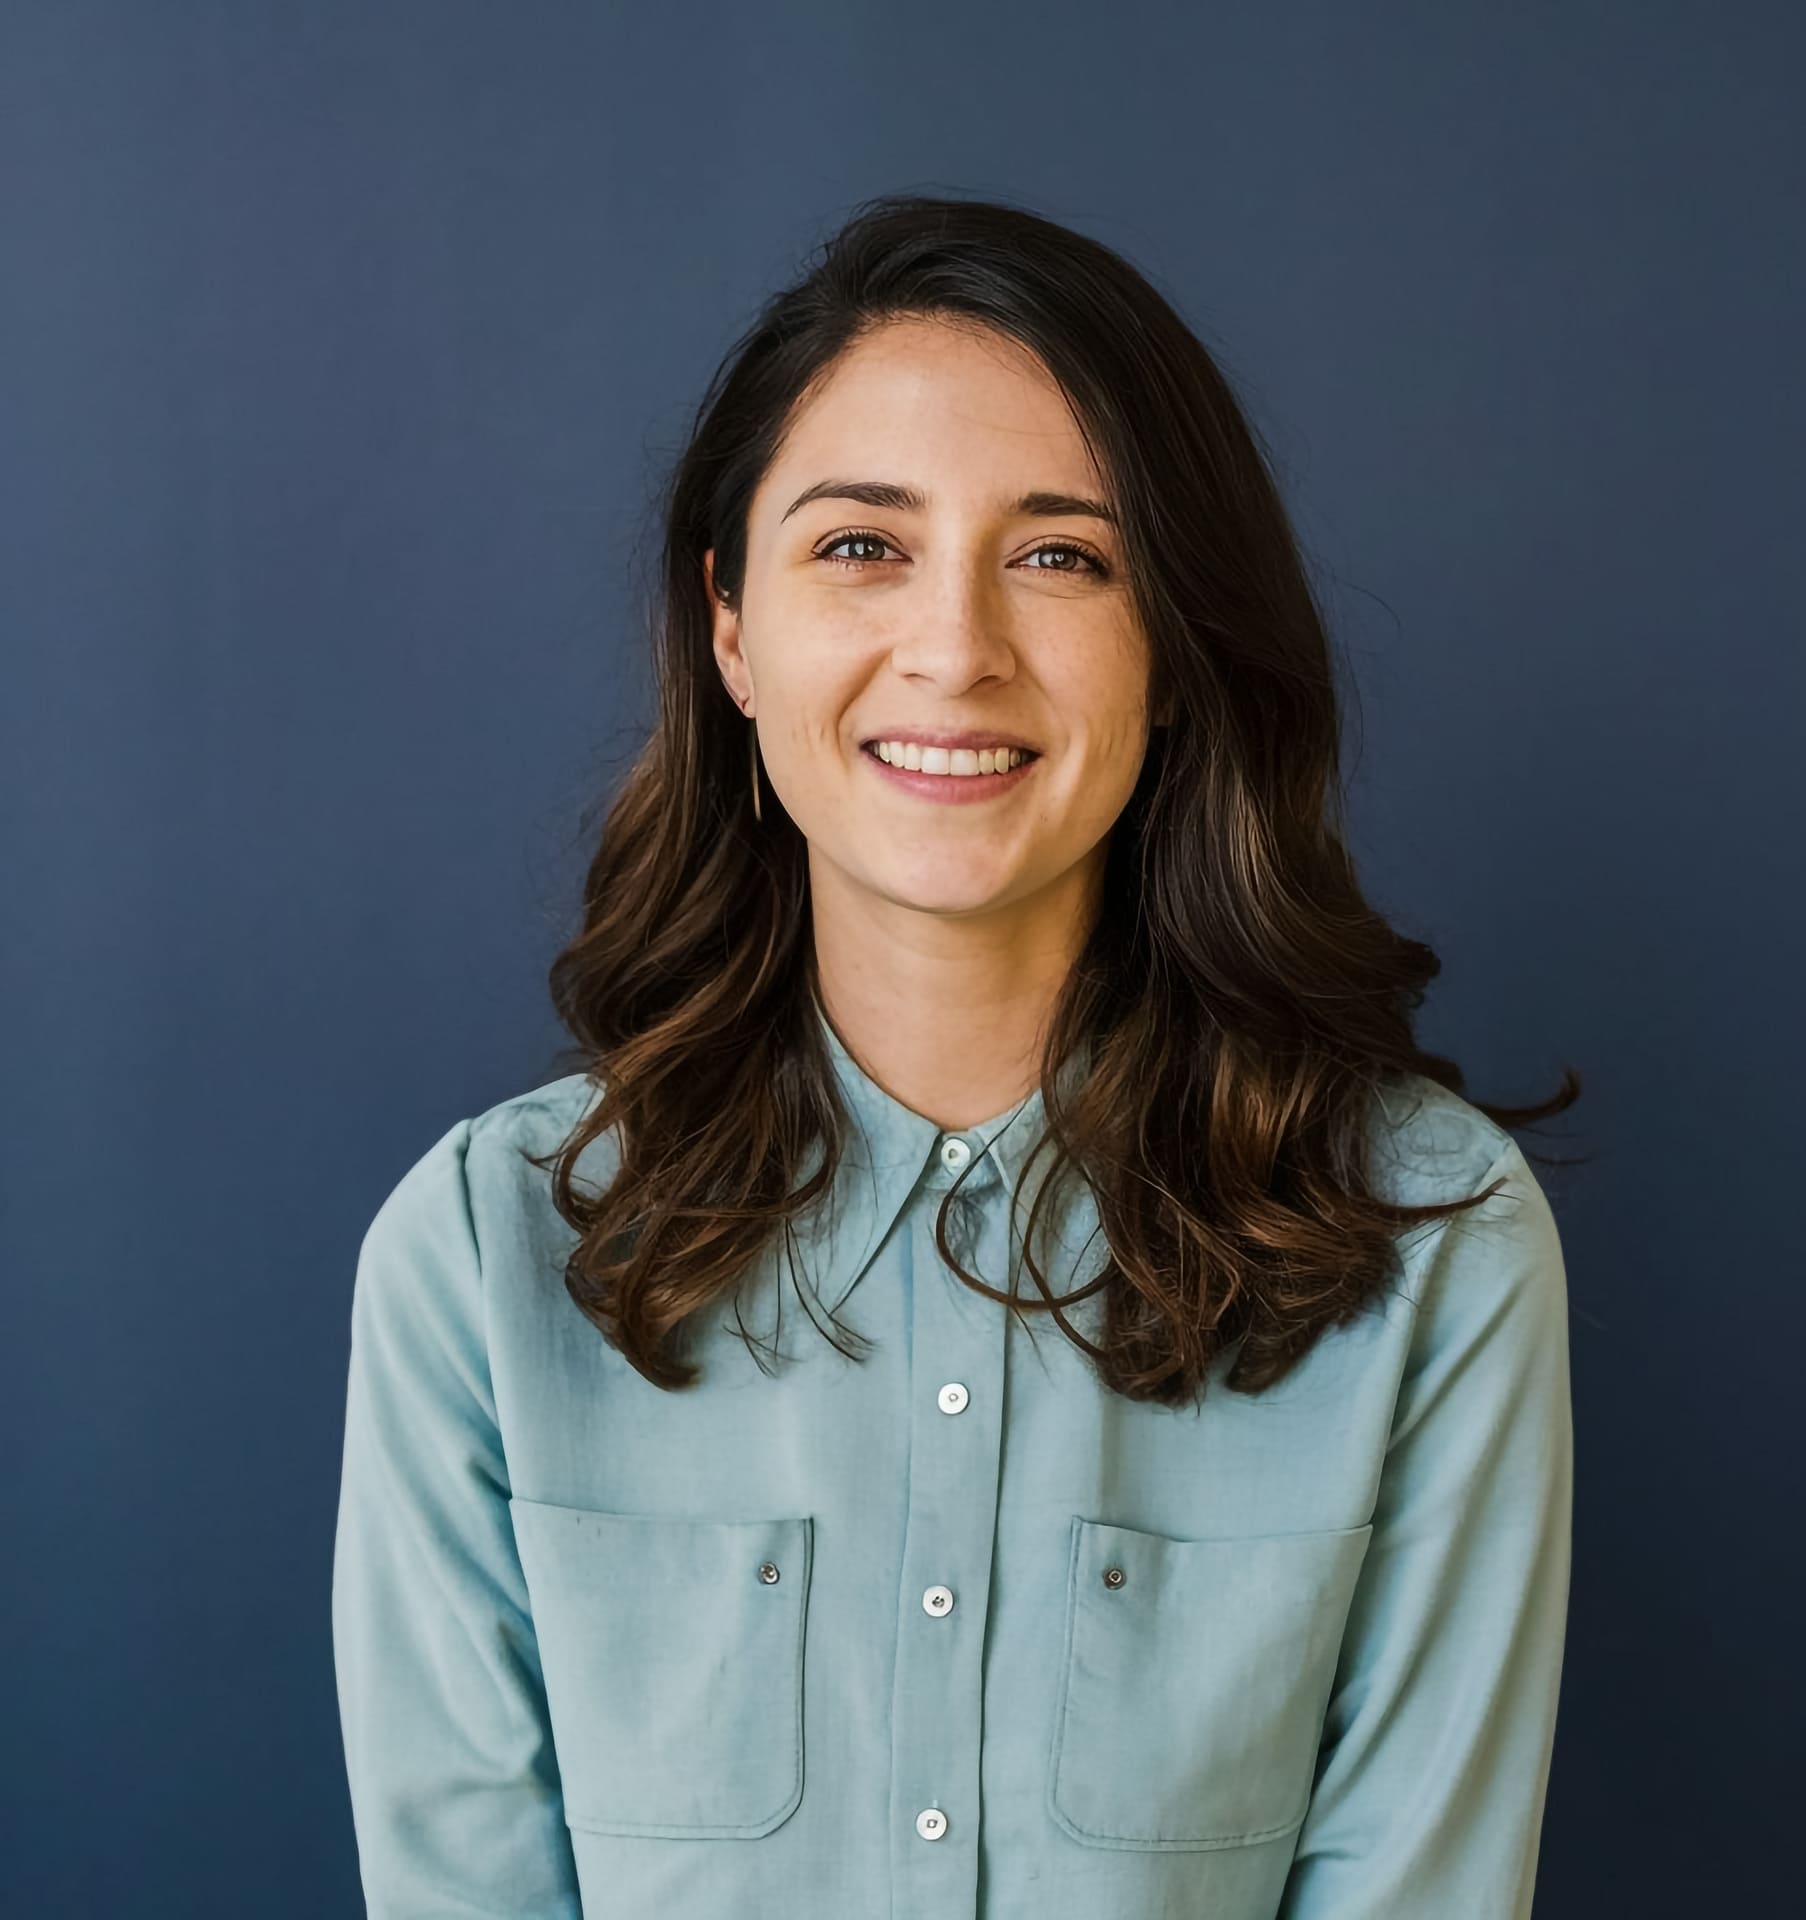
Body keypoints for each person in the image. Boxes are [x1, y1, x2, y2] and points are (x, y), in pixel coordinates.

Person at [332, 191, 1579, 1920]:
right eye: (862, 546)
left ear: (1177, 651)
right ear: (733, 628)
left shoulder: (1430, 1247)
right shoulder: (482, 1261)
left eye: (1063, 555)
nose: (955, 650)